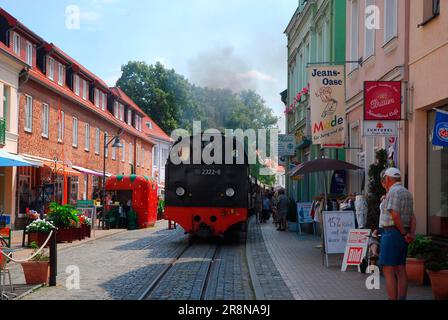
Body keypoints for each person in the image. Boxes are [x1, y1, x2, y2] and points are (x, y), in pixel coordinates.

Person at [380, 168, 416, 300]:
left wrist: (404, 232)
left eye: (385, 179)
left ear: (388, 179)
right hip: (401, 234)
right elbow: (413, 217)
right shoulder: (407, 193)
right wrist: (410, 233)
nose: (384, 182)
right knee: (400, 269)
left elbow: (395, 216)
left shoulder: (394, 192)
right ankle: (401, 298)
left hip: (392, 233)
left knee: (388, 270)